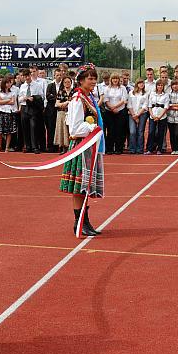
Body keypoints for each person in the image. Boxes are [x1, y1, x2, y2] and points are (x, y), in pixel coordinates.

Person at [59, 63, 103, 237]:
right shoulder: (78, 99)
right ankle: (79, 222)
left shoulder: (88, 97)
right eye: (90, 78)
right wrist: (92, 128)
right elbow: (75, 129)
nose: (93, 81)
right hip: (81, 146)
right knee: (80, 187)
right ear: (81, 80)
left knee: (85, 187)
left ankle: (84, 221)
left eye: (94, 78)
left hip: (89, 146)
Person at [18, 68, 45, 154]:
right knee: (25, 127)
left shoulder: (37, 85)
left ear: (30, 75)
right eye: (25, 76)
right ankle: (27, 146)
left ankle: (35, 147)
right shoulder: (22, 86)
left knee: (34, 127)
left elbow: (41, 96)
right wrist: (24, 98)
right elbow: (19, 99)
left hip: (33, 108)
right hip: (24, 107)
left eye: (28, 76)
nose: (27, 78)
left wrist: (34, 98)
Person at [103, 73, 129, 154]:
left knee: (119, 130)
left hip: (120, 111)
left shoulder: (122, 88)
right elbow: (105, 100)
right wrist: (111, 108)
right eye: (113, 78)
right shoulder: (107, 88)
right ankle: (109, 148)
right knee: (110, 130)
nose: (115, 80)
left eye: (116, 78)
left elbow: (124, 99)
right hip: (109, 112)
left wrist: (115, 107)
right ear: (111, 80)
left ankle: (118, 148)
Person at [0, 75, 18, 152]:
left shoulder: (12, 92)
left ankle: (7, 147)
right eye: (7, 83)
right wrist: (8, 100)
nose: (9, 84)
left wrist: (4, 101)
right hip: (1, 113)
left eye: (9, 83)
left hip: (9, 113)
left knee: (9, 131)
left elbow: (13, 102)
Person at [145, 79, 169, 155]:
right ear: (156, 86)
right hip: (153, 116)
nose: (160, 87)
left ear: (163, 86)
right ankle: (150, 149)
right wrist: (152, 115)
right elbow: (149, 106)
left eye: (161, 85)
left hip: (162, 116)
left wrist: (159, 116)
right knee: (151, 132)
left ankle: (159, 149)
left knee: (160, 133)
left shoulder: (166, 95)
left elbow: (166, 107)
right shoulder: (152, 94)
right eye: (158, 85)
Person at [127, 79, 148, 154]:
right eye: (140, 83)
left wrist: (138, 115)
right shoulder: (131, 93)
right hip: (132, 114)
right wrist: (134, 115)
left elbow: (145, 105)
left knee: (140, 131)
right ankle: (132, 149)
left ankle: (140, 149)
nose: (141, 85)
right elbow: (129, 105)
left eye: (142, 83)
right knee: (132, 131)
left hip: (142, 114)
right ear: (137, 84)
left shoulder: (145, 93)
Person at [53, 75, 73, 154]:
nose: (67, 83)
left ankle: (71, 148)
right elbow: (57, 104)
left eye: (68, 82)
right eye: (65, 82)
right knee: (62, 130)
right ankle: (63, 148)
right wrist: (65, 103)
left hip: (71, 113)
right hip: (62, 113)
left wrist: (67, 103)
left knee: (70, 130)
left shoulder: (74, 91)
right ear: (63, 83)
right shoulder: (61, 92)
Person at [45, 69, 62, 152]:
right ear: (54, 76)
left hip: (60, 109)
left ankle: (60, 145)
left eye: (60, 75)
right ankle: (50, 146)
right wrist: (57, 98)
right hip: (51, 110)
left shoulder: (63, 85)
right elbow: (48, 96)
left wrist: (55, 97)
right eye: (57, 75)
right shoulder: (50, 85)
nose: (59, 76)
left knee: (59, 128)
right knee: (51, 128)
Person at [167, 79, 178, 154]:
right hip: (170, 117)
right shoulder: (168, 94)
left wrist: (172, 106)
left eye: (176, 84)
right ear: (171, 86)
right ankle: (173, 149)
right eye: (173, 85)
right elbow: (168, 105)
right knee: (172, 134)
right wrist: (176, 106)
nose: (175, 86)